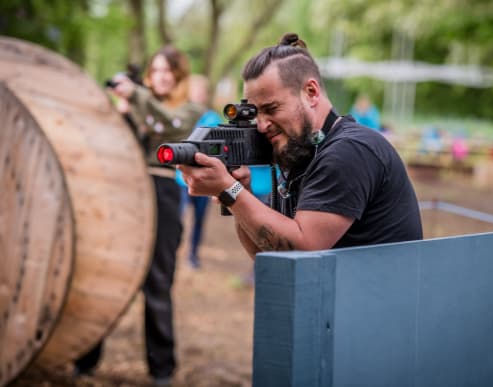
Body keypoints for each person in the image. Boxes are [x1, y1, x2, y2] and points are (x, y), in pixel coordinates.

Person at [178, 32, 422, 260]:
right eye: (255, 113)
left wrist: (230, 191)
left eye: (271, 109)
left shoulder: (349, 150)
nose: (261, 125)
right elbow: (269, 254)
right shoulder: (304, 151)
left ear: (311, 92)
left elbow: (303, 251)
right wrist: (243, 193)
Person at [75, 45, 202, 386]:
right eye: (154, 70)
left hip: (162, 194)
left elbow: (167, 125)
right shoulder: (139, 106)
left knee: (157, 283)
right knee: (107, 273)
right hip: (124, 194)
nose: (160, 77)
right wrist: (121, 108)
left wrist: (137, 98)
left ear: (178, 76)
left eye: (167, 72)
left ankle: (162, 369)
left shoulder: (188, 111)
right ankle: (85, 357)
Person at [175, 74, 222, 268]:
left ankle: (193, 254)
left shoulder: (212, 118)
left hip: (205, 180)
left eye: (201, 92)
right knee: (179, 217)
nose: (198, 95)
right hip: (181, 179)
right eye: (194, 91)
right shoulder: (180, 114)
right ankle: (175, 249)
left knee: (199, 219)